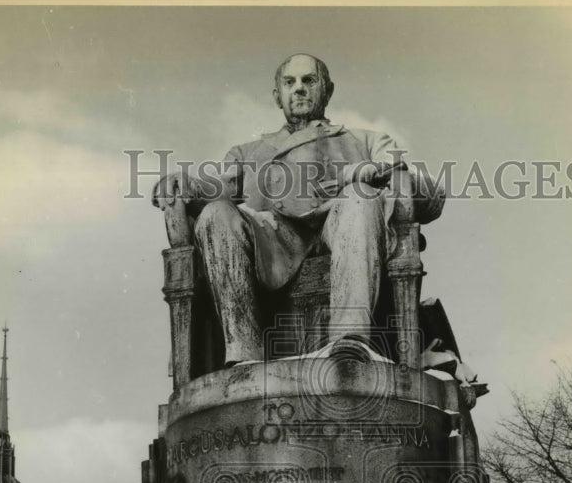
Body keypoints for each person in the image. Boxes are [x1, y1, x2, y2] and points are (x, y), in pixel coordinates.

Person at [153, 54, 444, 365]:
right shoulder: (249, 152)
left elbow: (433, 197)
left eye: (309, 80)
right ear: (278, 96)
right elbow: (218, 186)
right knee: (214, 214)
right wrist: (186, 183)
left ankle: (350, 341)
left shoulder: (366, 140)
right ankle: (243, 356)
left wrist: (380, 173)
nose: (300, 89)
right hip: (274, 239)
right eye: (290, 83)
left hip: (344, 226)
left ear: (328, 91)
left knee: (360, 197)